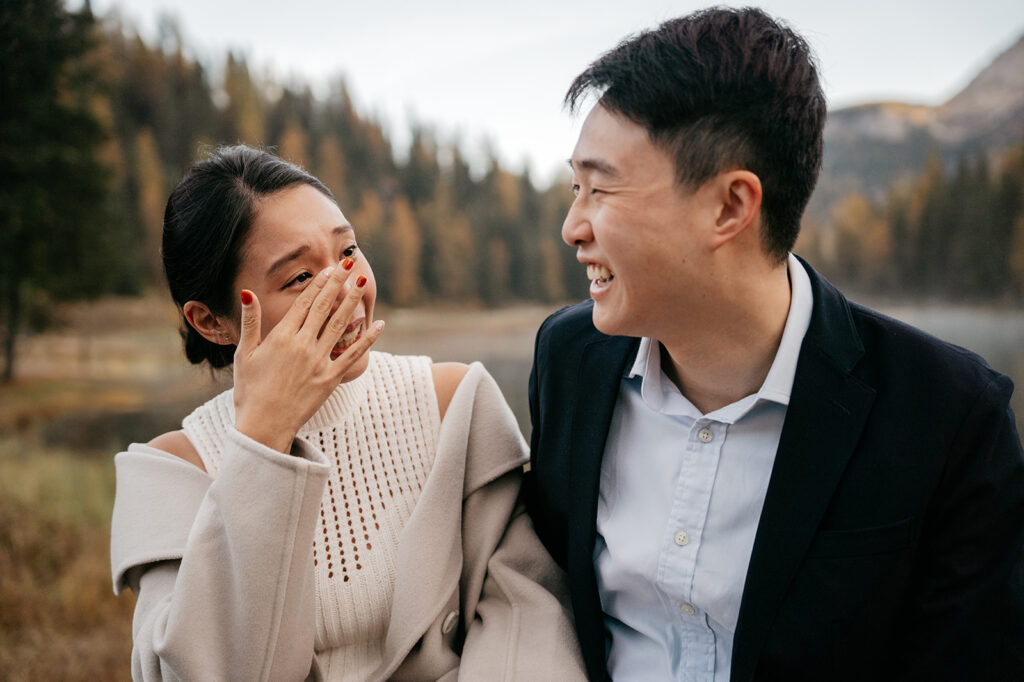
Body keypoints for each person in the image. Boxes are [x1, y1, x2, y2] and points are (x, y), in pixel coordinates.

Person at [524, 7, 1024, 681]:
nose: (571, 227)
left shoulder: (951, 417)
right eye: (574, 187)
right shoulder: (568, 360)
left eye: (601, 189)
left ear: (730, 206)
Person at [109, 145, 585, 681]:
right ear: (211, 322)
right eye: (299, 278)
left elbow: (526, 618)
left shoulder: (454, 402)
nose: (347, 289)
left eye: (348, 252)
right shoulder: (172, 469)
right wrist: (262, 439)